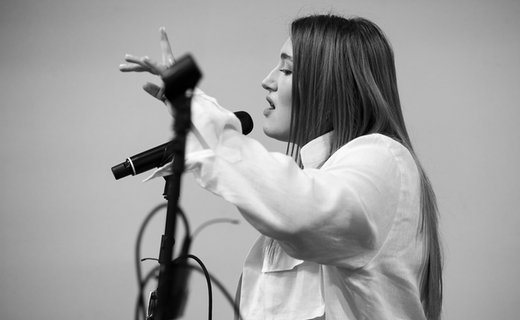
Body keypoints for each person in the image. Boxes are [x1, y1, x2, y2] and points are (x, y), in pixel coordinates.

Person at [120, 14, 443, 320]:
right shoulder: (313, 182)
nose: (267, 81)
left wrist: (200, 112)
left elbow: (295, 210)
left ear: (334, 86)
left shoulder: (382, 159)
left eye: (286, 71)